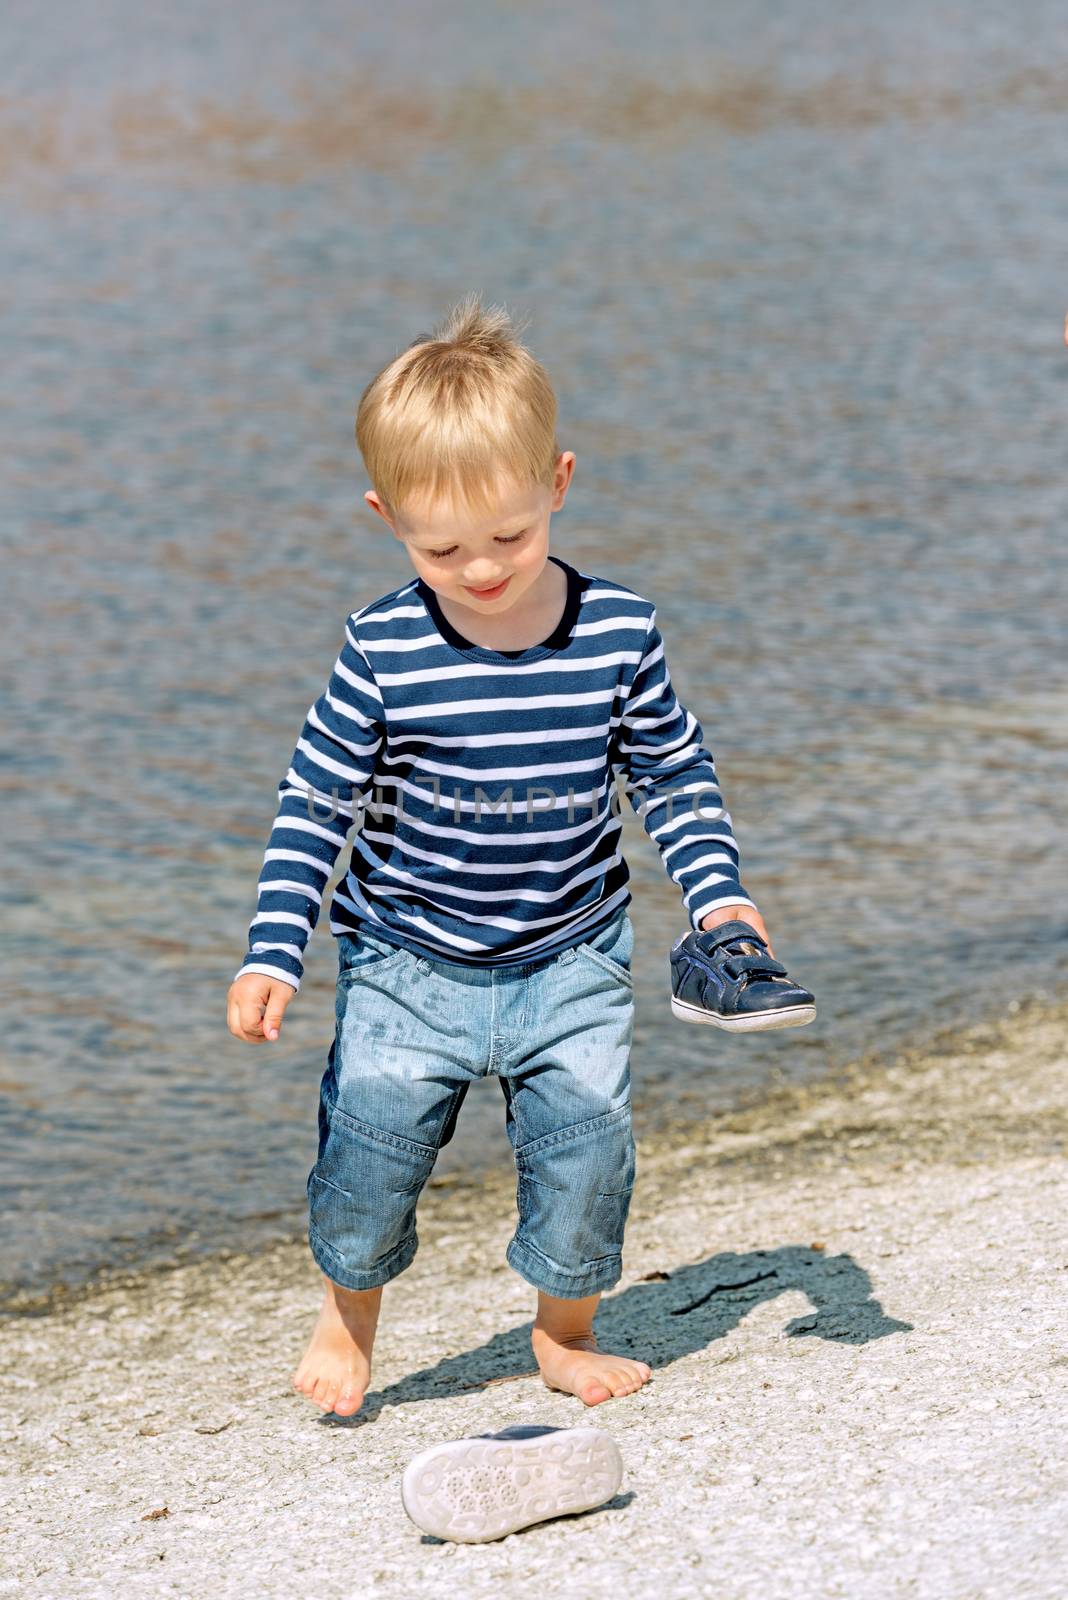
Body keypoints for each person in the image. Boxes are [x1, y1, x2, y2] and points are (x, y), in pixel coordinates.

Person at [226, 292, 773, 1418]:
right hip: (405, 960)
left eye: (510, 537)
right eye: (441, 547)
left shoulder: (619, 628)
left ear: (558, 484)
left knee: (587, 1150)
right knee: (370, 1149)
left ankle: (563, 1332)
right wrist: (272, 949)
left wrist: (721, 905)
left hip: (570, 951)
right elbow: (315, 801)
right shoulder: (383, 648)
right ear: (387, 518)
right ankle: (347, 1314)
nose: (480, 569)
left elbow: (672, 774)